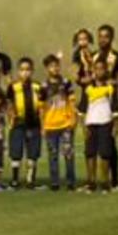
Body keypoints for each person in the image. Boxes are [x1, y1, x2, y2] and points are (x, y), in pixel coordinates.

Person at [92, 24, 118, 190]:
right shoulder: (92, 57)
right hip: (94, 103)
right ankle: (93, 181)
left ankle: (114, 179)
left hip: (110, 104)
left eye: (106, 36)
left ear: (112, 38)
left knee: (110, 142)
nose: (102, 39)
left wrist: (115, 82)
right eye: (100, 36)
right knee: (93, 143)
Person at [39, 54, 77, 191]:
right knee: (53, 155)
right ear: (47, 68)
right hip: (50, 125)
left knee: (68, 153)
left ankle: (70, 181)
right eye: (51, 66)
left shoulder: (66, 83)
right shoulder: (43, 86)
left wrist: (73, 118)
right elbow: (41, 107)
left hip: (65, 124)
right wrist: (42, 125)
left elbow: (72, 102)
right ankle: (54, 182)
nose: (55, 69)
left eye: (56, 66)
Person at [6, 57, 43, 190]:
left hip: (34, 123)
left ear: (32, 71)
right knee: (16, 151)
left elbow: (42, 105)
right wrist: (11, 116)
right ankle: (15, 179)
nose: (25, 73)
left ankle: (30, 180)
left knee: (33, 153)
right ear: (18, 72)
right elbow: (9, 103)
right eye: (22, 70)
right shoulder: (13, 87)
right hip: (18, 123)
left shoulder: (37, 87)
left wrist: (42, 123)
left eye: (28, 70)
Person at [81, 62, 116, 193]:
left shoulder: (110, 87)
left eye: (101, 68)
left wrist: (115, 126)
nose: (99, 71)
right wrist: (83, 126)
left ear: (106, 71)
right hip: (91, 123)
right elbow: (82, 108)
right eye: (96, 69)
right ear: (93, 71)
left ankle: (105, 182)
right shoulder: (88, 88)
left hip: (105, 122)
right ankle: (91, 182)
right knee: (90, 153)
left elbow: (115, 107)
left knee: (105, 154)